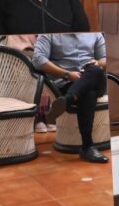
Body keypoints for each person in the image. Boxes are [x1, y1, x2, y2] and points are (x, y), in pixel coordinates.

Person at [34, 32, 109, 163]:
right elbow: (38, 60)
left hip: (94, 80)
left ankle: (67, 100)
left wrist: (97, 62)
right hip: (65, 82)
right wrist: (67, 74)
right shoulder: (49, 33)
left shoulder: (95, 33)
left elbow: (106, 58)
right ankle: (87, 147)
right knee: (88, 93)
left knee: (95, 70)